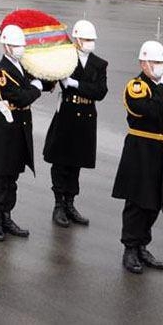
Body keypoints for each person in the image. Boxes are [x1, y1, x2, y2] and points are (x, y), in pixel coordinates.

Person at [112, 40, 163, 274]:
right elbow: (150, 111)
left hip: (159, 150)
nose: (160, 66)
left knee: (154, 204)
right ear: (143, 62)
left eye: (162, 62)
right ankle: (130, 248)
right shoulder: (137, 86)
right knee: (138, 203)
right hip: (141, 150)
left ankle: (142, 245)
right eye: (155, 62)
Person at [0, 19, 44, 241]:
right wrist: (36, 88)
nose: (20, 49)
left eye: (22, 45)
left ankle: (7, 216)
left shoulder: (22, 66)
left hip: (22, 124)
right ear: (6, 46)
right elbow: (21, 96)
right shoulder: (2, 72)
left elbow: (37, 84)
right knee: (2, 174)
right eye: (17, 45)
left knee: (13, 174)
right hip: (6, 126)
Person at [43, 19, 108, 227]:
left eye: (92, 39)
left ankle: (70, 203)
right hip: (67, 114)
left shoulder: (99, 64)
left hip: (87, 117)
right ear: (77, 39)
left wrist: (75, 84)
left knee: (76, 163)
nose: (90, 42)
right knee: (61, 161)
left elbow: (100, 92)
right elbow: (48, 79)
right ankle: (59, 205)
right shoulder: (66, 58)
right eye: (86, 39)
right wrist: (54, 79)